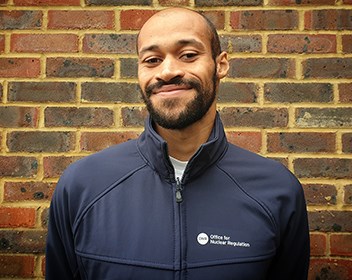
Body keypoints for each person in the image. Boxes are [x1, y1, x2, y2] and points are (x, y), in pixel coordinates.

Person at [45, 7, 310, 280]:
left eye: (188, 55)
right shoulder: (82, 186)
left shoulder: (277, 190)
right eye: (152, 60)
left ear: (221, 65)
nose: (168, 71)